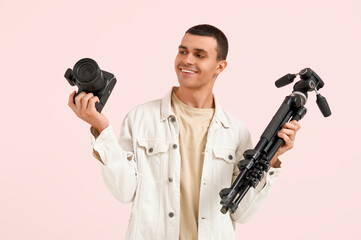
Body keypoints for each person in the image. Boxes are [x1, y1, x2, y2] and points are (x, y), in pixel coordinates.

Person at [68, 24, 301, 240]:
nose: (186, 60)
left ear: (220, 66)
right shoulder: (140, 118)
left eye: (199, 55)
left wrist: (272, 159)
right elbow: (123, 191)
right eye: (182, 51)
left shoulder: (236, 131)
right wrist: (100, 128)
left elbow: (241, 213)